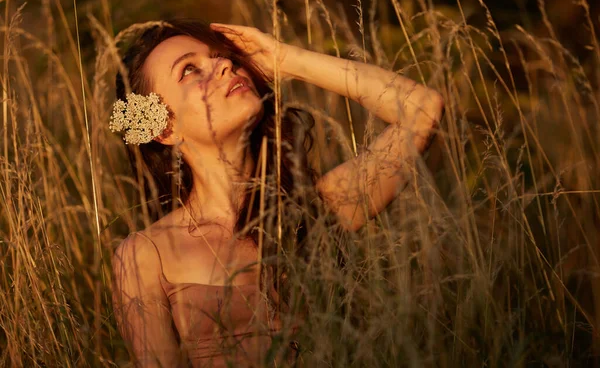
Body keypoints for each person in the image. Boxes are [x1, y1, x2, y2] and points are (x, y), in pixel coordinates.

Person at [110, 19, 444, 367]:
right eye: (190, 70)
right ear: (165, 129)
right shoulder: (146, 256)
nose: (224, 64)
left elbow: (422, 109)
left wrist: (286, 60)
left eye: (223, 57)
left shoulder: (317, 209)